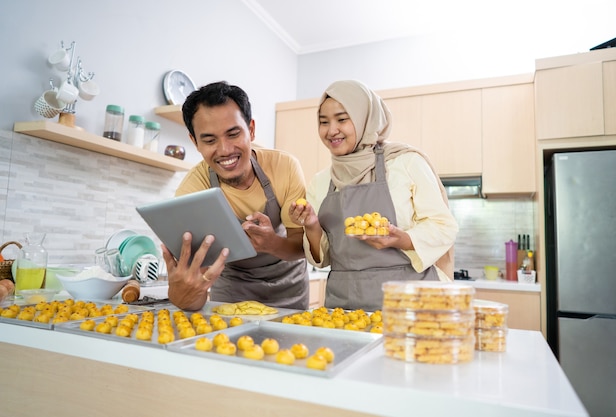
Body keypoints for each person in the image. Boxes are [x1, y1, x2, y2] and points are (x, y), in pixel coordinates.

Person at [289, 80, 458, 311]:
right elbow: (325, 257)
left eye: (342, 119)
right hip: (345, 306)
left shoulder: (405, 162)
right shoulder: (321, 181)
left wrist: (401, 239)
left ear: (364, 118)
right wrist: (311, 225)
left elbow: (444, 227)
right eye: (323, 122)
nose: (331, 130)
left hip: (411, 303)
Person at [163, 81, 310, 311]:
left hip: (289, 287)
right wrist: (183, 290)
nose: (225, 150)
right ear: (195, 142)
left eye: (233, 134)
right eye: (210, 140)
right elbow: (191, 288)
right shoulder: (193, 191)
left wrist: (271, 243)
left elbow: (301, 246)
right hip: (233, 290)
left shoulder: (284, 167)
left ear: (251, 129)